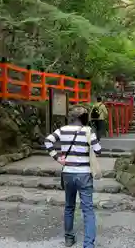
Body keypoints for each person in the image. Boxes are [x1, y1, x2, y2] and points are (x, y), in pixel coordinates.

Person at [44, 106, 101, 248]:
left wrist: (57, 158)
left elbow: (48, 141)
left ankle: (69, 238)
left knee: (69, 206)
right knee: (87, 210)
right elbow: (98, 150)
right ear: (83, 118)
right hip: (84, 174)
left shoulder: (62, 130)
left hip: (68, 173)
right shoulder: (88, 131)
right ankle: (88, 244)